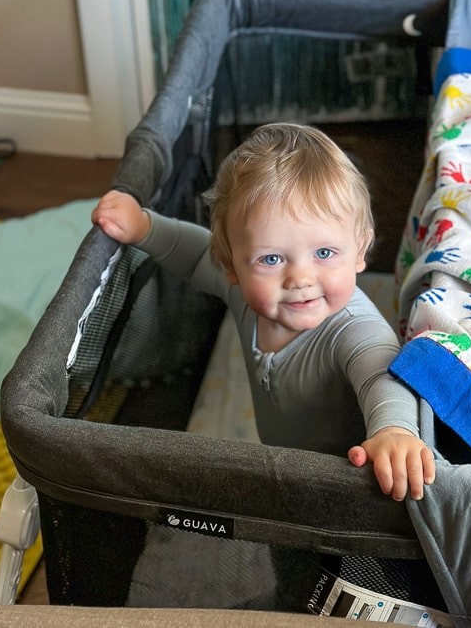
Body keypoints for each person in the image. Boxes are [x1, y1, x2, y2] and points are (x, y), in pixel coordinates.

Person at [92, 123, 435, 501]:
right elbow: (193, 254)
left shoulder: (354, 331)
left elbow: (381, 373)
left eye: (324, 253)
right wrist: (144, 226)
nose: (300, 278)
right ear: (231, 267)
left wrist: (395, 431)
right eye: (271, 258)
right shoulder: (244, 291)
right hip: (283, 473)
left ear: (360, 251)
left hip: (352, 488)